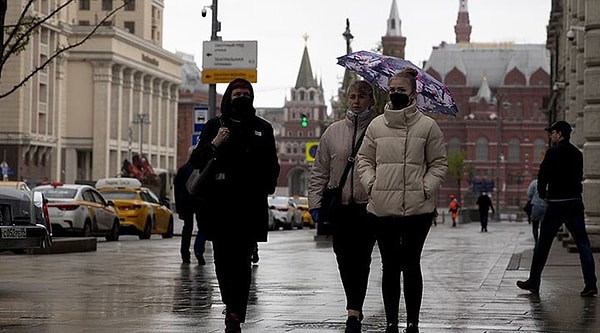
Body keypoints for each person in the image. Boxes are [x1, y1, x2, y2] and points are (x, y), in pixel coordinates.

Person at [356, 68, 448, 333]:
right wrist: (372, 184)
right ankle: (391, 322)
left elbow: (439, 164)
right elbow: (364, 159)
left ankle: (412, 323)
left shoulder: (428, 126)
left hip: (417, 209)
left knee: (411, 264)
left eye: (401, 90)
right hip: (382, 207)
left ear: (413, 94)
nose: (396, 94)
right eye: (392, 90)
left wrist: (424, 188)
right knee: (389, 266)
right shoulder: (376, 125)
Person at [189, 78, 280, 332]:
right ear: (228, 97)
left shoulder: (263, 128)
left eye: (246, 93)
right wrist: (215, 142)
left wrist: (266, 185)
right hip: (219, 206)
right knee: (223, 261)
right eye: (237, 93)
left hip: (249, 206)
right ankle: (231, 305)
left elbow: (273, 164)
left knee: (242, 263)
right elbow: (196, 160)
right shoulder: (214, 126)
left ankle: (235, 313)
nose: (242, 97)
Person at [308, 80, 377, 333]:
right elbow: (319, 171)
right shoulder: (333, 132)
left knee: (363, 259)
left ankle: (353, 310)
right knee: (343, 258)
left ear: (371, 100)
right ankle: (353, 305)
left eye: (361, 96)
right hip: (340, 208)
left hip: (368, 207)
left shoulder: (379, 130)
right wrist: (315, 203)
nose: (356, 101)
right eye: (352, 96)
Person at [517, 121, 597, 297]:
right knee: (583, 244)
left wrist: (543, 194)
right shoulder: (577, 153)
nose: (550, 135)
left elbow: (542, 175)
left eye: (552, 133)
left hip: (557, 204)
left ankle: (534, 281)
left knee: (543, 244)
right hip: (575, 202)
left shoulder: (552, 152)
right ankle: (590, 284)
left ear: (560, 134)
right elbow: (578, 175)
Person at [174, 156, 207, 265]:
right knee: (202, 227)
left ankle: (185, 254)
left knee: (187, 228)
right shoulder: (203, 167)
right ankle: (198, 250)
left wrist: (179, 208)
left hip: (186, 203)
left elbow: (177, 189)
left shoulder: (183, 169)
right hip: (200, 202)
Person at [526, 179, 547, 247]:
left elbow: (529, 193)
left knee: (535, 225)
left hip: (536, 205)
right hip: (547, 206)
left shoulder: (535, 182)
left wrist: (534, 198)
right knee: (544, 226)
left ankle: (536, 241)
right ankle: (542, 241)